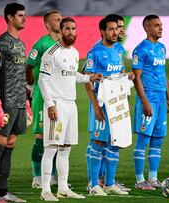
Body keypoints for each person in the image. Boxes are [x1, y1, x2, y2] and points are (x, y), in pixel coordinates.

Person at [39, 17, 101, 201]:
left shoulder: (74, 52)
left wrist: (89, 78)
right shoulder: (51, 53)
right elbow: (43, 80)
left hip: (70, 105)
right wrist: (50, 104)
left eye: (74, 29)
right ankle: (45, 191)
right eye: (67, 29)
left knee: (65, 149)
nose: (71, 32)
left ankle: (63, 188)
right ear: (60, 30)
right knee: (51, 148)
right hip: (56, 105)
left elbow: (73, 76)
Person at [0, 3, 32, 203]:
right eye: (20, 15)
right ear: (9, 17)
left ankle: (3, 192)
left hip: (19, 103)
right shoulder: (2, 43)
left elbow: (20, 75)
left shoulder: (21, 44)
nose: (24, 19)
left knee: (10, 145)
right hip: (5, 104)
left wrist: (27, 100)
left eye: (24, 15)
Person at [85, 16, 129, 196]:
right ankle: (93, 185)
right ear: (102, 31)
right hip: (101, 105)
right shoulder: (94, 52)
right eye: (111, 29)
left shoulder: (119, 49)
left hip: (117, 103)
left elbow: (121, 72)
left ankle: (109, 183)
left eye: (116, 29)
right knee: (98, 141)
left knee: (115, 142)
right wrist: (95, 107)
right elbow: (87, 82)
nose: (115, 32)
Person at [132, 15, 169, 190]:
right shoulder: (140, 50)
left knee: (157, 140)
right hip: (147, 100)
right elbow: (136, 78)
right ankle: (139, 180)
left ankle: (153, 178)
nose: (160, 28)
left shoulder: (162, 48)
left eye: (161, 25)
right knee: (143, 140)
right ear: (147, 28)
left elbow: (162, 74)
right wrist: (144, 102)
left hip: (160, 101)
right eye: (156, 25)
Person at [26, 10, 62, 189]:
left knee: (56, 136)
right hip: (43, 95)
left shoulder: (64, 44)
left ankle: (53, 174)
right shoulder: (41, 44)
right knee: (41, 136)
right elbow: (29, 65)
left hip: (60, 96)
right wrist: (31, 85)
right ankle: (37, 176)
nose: (60, 21)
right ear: (48, 25)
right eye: (57, 20)